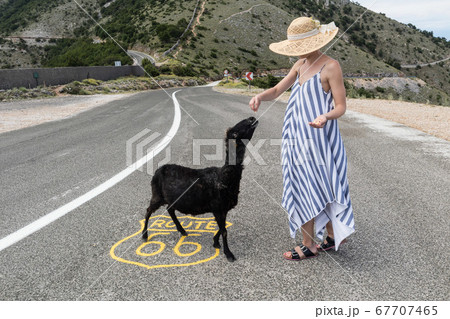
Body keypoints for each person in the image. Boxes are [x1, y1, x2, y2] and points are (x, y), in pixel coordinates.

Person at [249, 17, 355, 261]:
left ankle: (309, 245)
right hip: (294, 138)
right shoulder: (299, 65)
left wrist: (324, 116)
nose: (301, 52)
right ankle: (329, 237)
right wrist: (259, 96)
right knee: (303, 184)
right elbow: (277, 90)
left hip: (319, 139)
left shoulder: (330, 66)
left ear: (315, 41)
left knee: (317, 184)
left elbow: (341, 107)